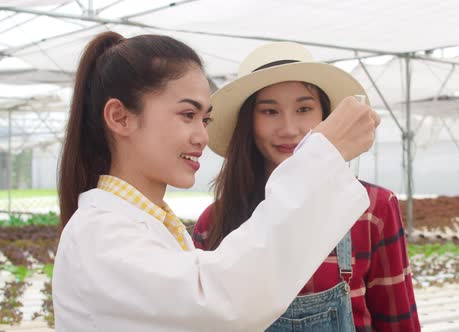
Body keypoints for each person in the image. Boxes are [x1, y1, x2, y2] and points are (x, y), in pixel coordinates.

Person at [52, 32, 380, 332]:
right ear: (120, 117)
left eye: (205, 119)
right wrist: (321, 158)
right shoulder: (100, 235)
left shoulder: (150, 227)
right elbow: (226, 299)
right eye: (187, 115)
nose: (202, 136)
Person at [193, 42, 420, 331]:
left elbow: (398, 322)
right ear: (248, 123)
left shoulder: (371, 208)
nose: (289, 129)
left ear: (326, 117)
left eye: (304, 108)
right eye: (269, 112)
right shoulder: (214, 221)